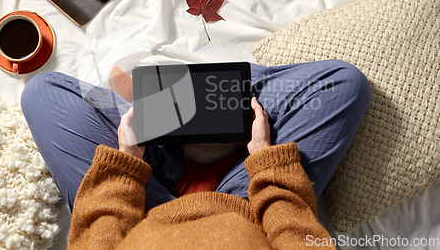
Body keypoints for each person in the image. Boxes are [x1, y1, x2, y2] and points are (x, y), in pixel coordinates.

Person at [21, 60, 371, 249]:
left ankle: (168, 149)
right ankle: (218, 108)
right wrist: (265, 162)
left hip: (142, 213)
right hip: (248, 209)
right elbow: (296, 237)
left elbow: (96, 239)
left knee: (42, 92)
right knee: (342, 84)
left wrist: (126, 164)